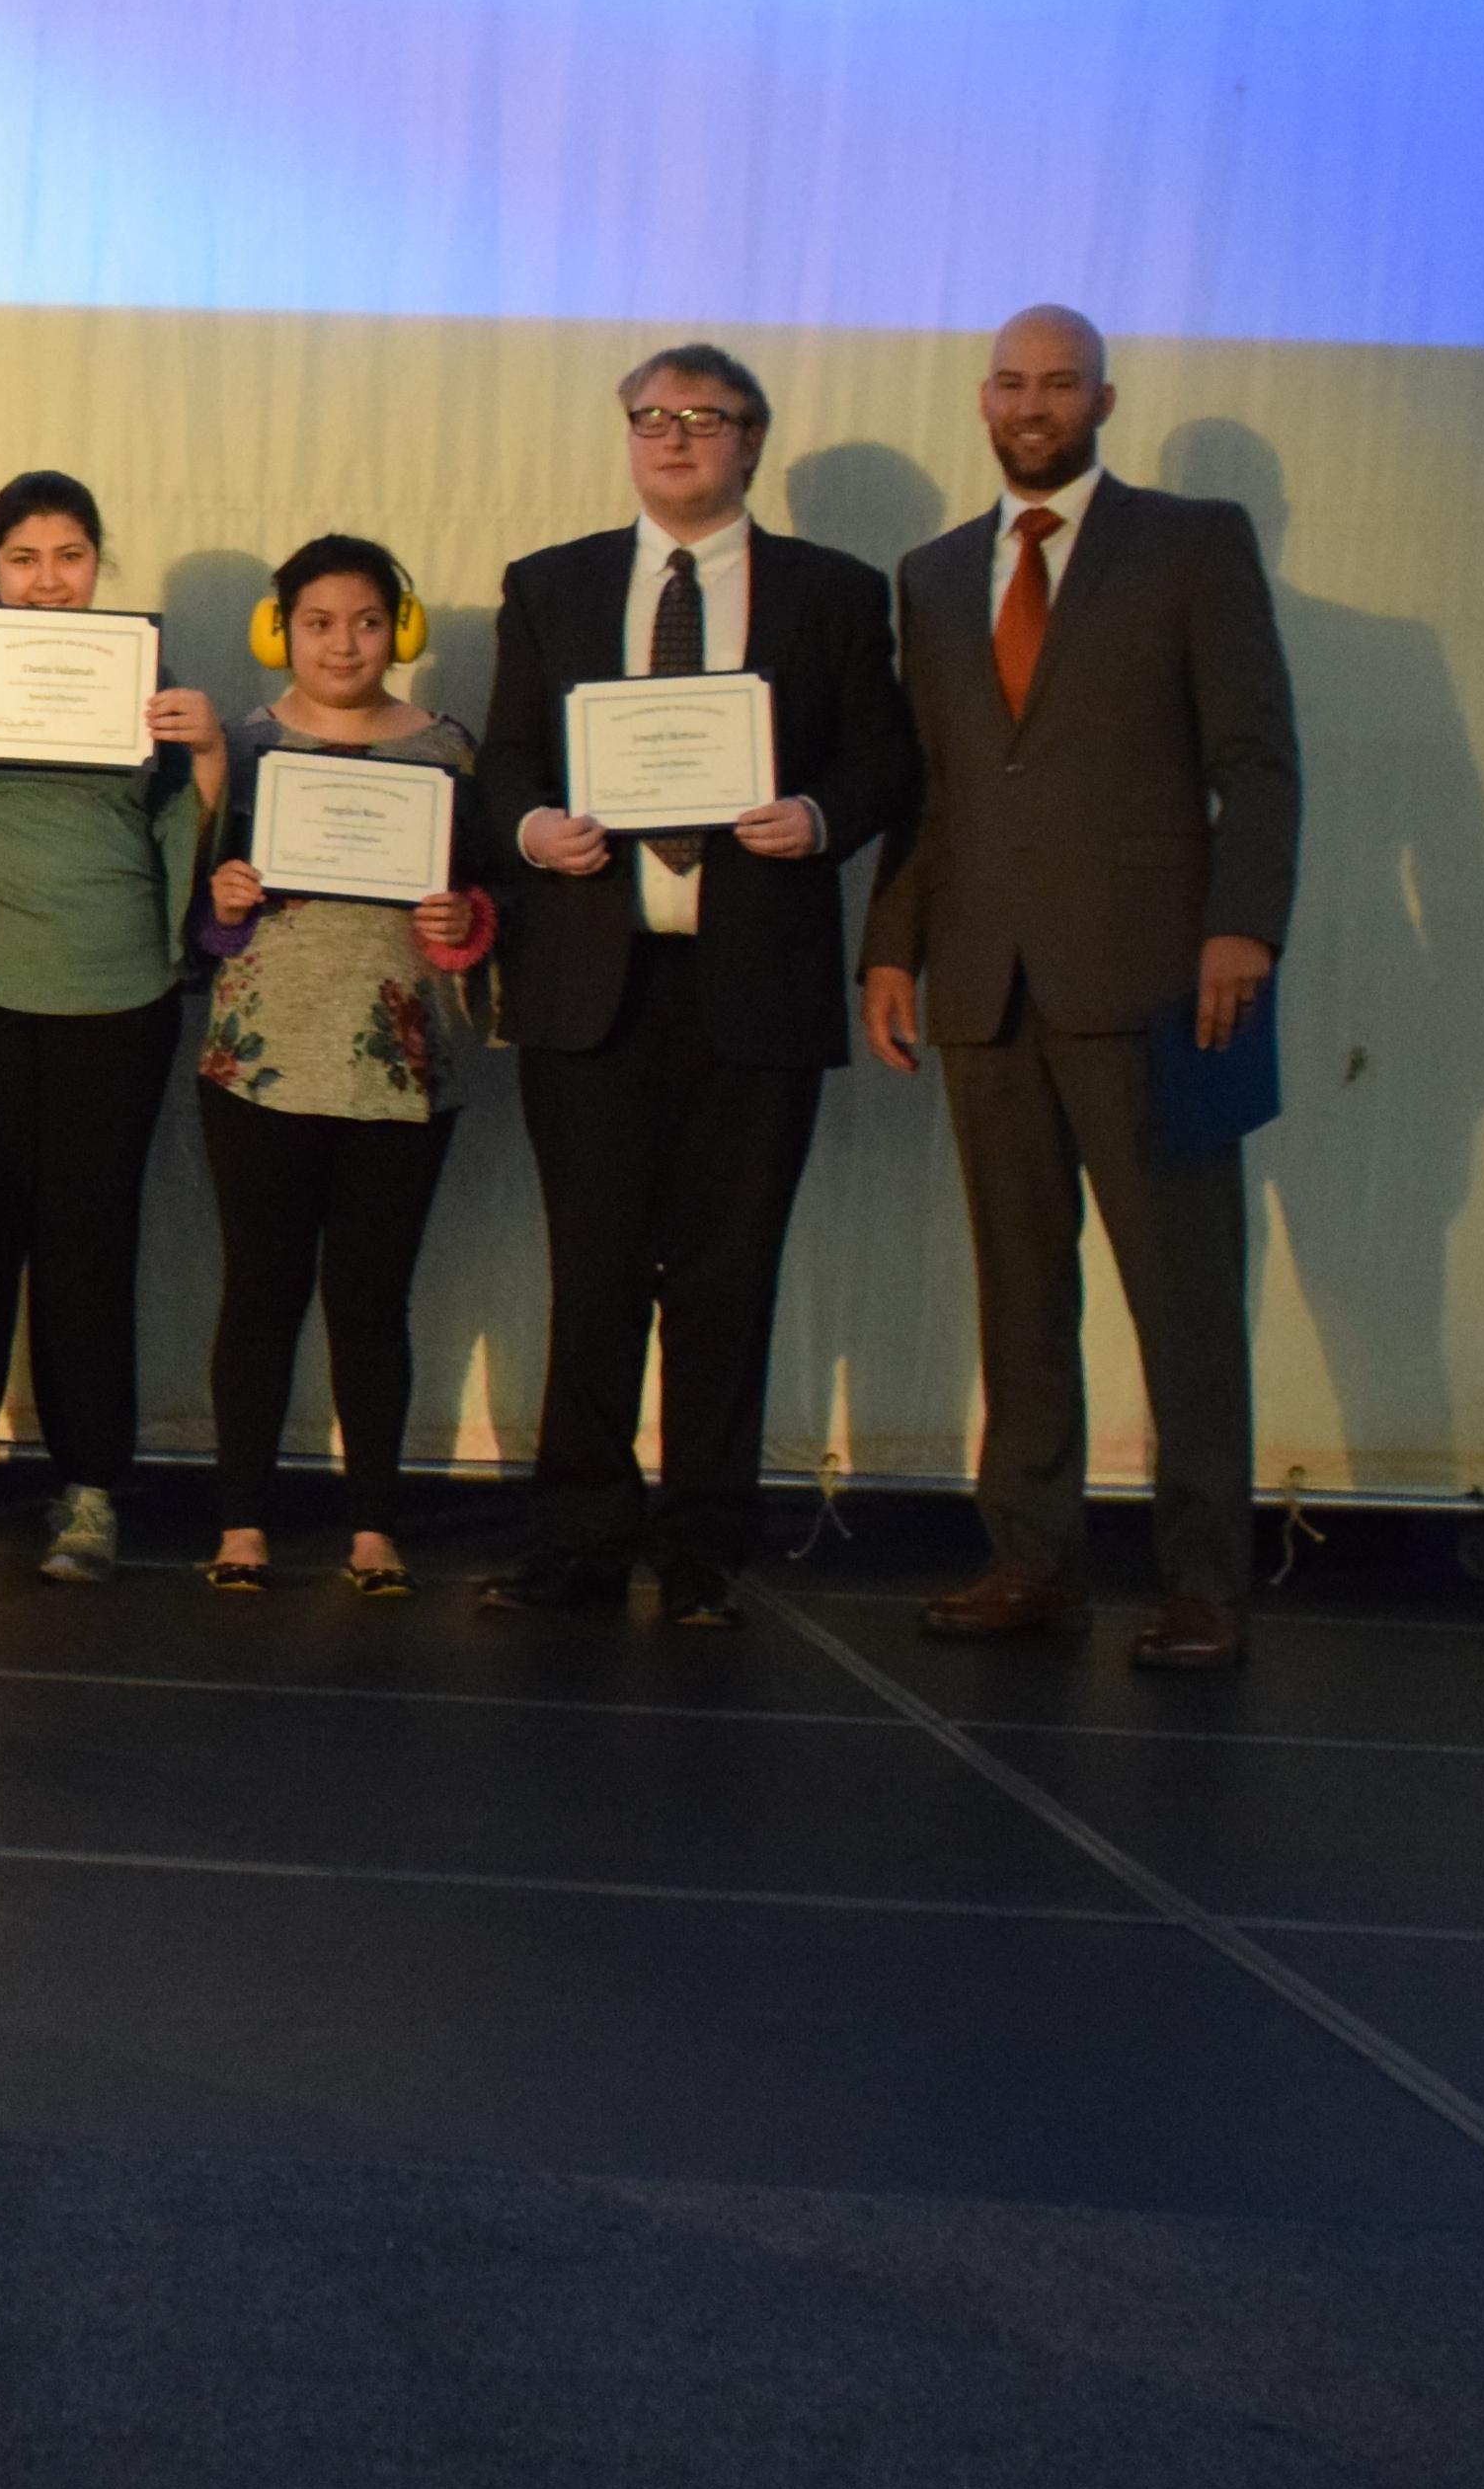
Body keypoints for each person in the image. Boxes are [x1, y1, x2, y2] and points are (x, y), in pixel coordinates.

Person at [865, 307, 1304, 1674]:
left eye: (1060, 383)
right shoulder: (936, 573)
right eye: (1012, 383)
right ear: (982, 399)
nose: (1033, 404)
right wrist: (892, 947)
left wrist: (1244, 928)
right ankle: (1033, 1562)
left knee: (1183, 1297)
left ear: (1103, 401)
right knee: (1019, 1294)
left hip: (1158, 981)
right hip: (984, 983)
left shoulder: (1192, 543)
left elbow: (1258, 758)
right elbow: (934, 785)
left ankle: (1205, 1584)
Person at [470, 345, 917, 1626]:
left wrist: (818, 818)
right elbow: (506, 763)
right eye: (650, 416)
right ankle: (580, 1541)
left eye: (703, 418)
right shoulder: (551, 585)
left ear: (752, 440)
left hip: (753, 989)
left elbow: (885, 763)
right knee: (594, 1274)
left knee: (728, 1279)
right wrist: (534, 829)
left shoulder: (835, 593)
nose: (672, 437)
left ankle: (706, 1550)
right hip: (590, 990)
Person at [0, 473, 225, 1586]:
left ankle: (90, 1488)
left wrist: (211, 755)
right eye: (24, 558)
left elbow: (192, 845)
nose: (48, 580)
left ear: (98, 565)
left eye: (70, 557)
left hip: (114, 996)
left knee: (90, 1249)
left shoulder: (148, 682)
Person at [189, 537, 491, 1595]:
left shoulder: (449, 750)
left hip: (401, 1068)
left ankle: (372, 1527)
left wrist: (463, 922)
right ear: (282, 632)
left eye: (367, 622)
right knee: (260, 1295)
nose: (344, 645)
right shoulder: (239, 746)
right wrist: (221, 905)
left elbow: (487, 905)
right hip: (260, 1063)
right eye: (318, 624)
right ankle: (241, 1524)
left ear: (398, 629)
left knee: (371, 1303)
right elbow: (192, 924)